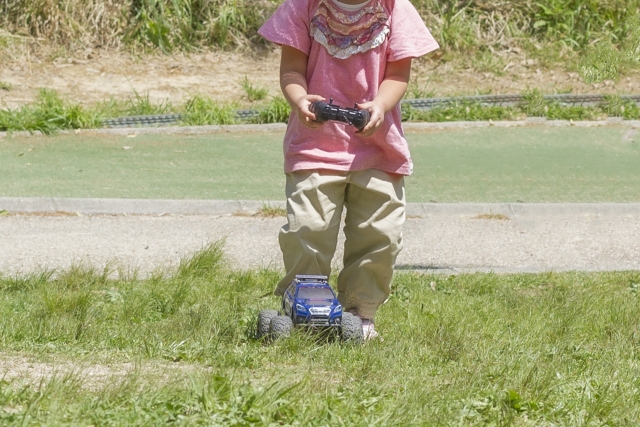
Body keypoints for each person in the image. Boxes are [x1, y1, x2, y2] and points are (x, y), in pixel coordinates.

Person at [258, 0, 439, 339]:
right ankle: (304, 308)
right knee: (307, 228)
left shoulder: (395, 8)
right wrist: (299, 99)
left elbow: (398, 74)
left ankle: (359, 311)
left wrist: (381, 105)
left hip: (377, 148)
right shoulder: (304, 7)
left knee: (380, 233)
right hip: (315, 146)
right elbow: (292, 70)